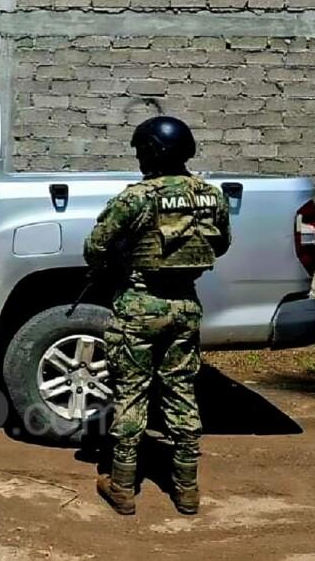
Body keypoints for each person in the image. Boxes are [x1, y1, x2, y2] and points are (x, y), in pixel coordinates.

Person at [85, 116, 231, 515]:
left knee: (131, 393)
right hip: (185, 306)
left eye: (141, 151)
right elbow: (221, 245)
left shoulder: (135, 198)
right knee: (181, 391)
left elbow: (95, 248)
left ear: (151, 152)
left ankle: (122, 486)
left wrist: (120, 259)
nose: (139, 159)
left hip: (139, 307)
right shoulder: (210, 195)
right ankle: (187, 489)